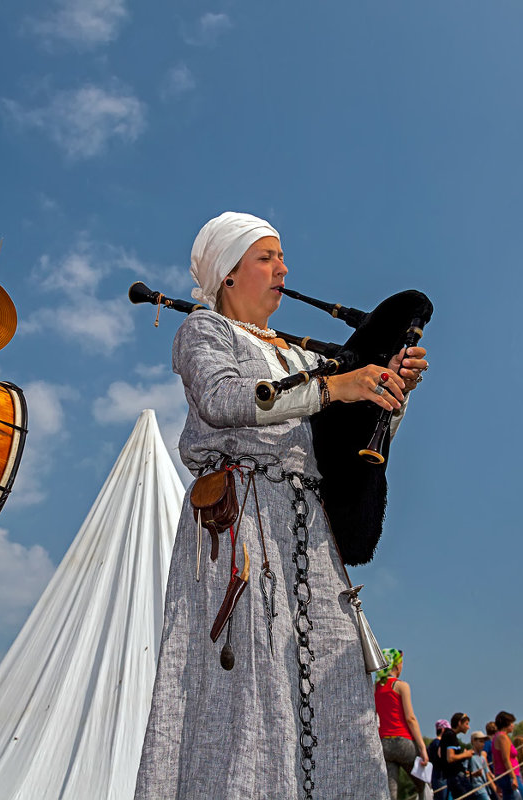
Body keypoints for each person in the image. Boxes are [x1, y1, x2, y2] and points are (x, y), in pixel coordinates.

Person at [134, 211, 429, 799]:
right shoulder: (205, 330)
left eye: (281, 257)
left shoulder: (295, 354)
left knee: (330, 682)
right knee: (249, 689)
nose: (282, 268)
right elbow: (221, 399)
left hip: (309, 531)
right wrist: (335, 386)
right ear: (227, 273)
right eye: (266, 257)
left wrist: (384, 393)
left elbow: (338, 441)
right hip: (241, 527)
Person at [373, 649, 432, 800]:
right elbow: (410, 718)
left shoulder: (374, 688)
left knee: (390, 793)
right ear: (397, 665)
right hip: (403, 742)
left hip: (384, 744)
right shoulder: (401, 686)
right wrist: (422, 748)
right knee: (424, 784)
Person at [491, 712, 523, 800]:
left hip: (503, 775)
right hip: (508, 776)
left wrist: (497, 782)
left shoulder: (496, 737)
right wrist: (513, 777)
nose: (513, 725)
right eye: (512, 723)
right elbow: (506, 759)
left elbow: (495, 760)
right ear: (506, 724)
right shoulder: (502, 737)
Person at [440, 712, 477, 799]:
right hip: (456, 777)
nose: (468, 727)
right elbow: (450, 758)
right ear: (459, 723)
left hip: (453, 776)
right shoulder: (450, 735)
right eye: (466, 724)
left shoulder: (448, 735)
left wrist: (462, 756)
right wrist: (465, 755)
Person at [466, 731, 498, 800]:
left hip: (485, 788)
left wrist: (495, 790)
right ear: (473, 741)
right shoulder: (469, 756)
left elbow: (487, 775)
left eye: (483, 742)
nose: (483, 744)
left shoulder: (482, 758)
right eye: (480, 741)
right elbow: (463, 773)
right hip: (476, 788)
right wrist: (474, 774)